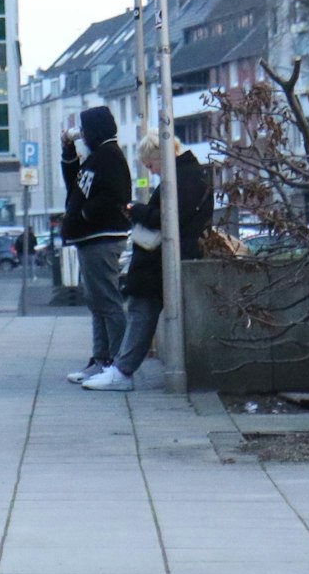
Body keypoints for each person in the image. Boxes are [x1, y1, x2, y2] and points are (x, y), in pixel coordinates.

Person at [83, 136, 213, 392]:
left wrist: (136, 210)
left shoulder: (180, 179)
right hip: (172, 256)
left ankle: (122, 371)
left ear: (159, 156)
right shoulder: (191, 175)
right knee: (143, 312)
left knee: (141, 312)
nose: (151, 171)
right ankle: (122, 368)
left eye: (150, 165)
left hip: (160, 260)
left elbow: (165, 217)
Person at [59, 105, 132, 383]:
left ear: (95, 130)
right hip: (91, 238)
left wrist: (86, 214)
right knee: (96, 301)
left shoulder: (109, 157)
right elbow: (75, 187)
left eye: (85, 129)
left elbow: (115, 195)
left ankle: (117, 363)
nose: (83, 134)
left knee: (107, 301)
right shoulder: (97, 157)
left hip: (101, 237)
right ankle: (101, 359)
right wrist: (68, 153)